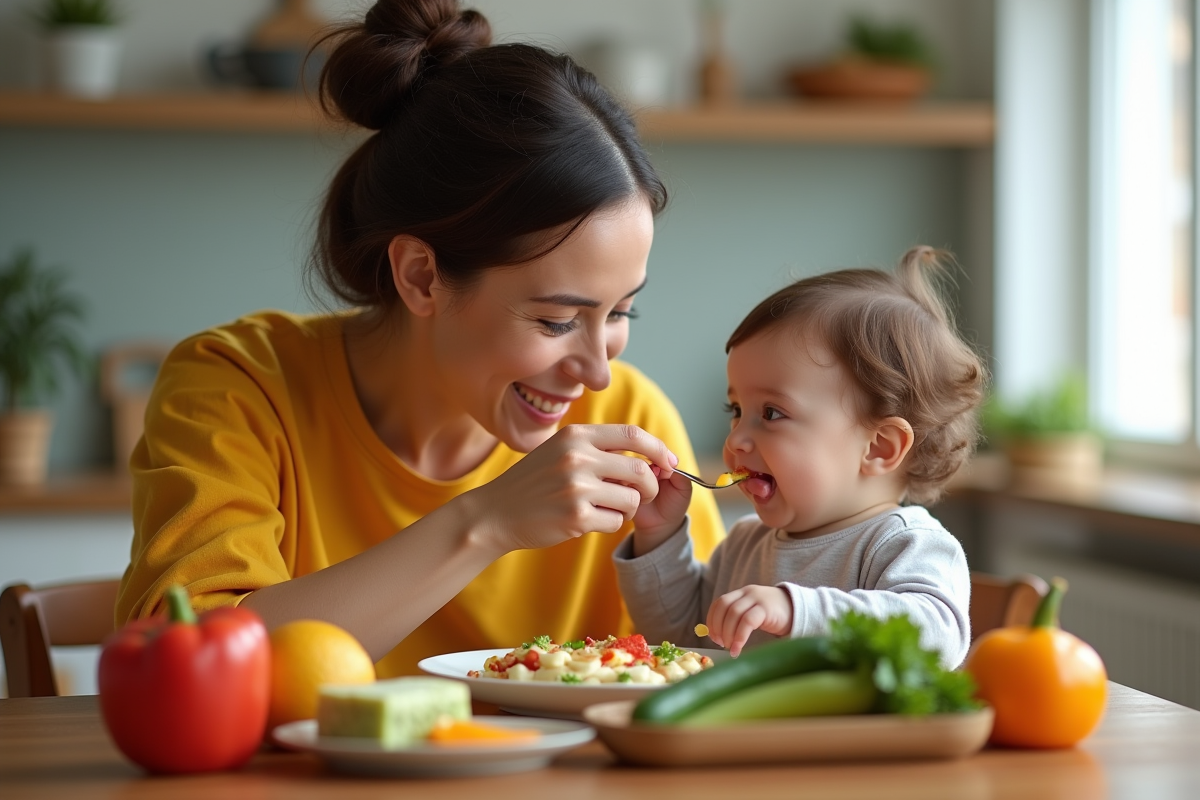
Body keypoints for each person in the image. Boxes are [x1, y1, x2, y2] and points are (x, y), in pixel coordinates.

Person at [115, 0, 724, 677]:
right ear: (421, 276)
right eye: (555, 320)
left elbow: (712, 674)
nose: (596, 375)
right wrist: (486, 523)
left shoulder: (629, 422)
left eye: (620, 315)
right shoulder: (235, 389)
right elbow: (189, 668)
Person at [618, 246, 986, 667]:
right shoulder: (744, 543)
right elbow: (680, 637)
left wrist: (799, 611)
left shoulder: (906, 544)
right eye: (736, 411)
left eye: (771, 413)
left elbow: (933, 637)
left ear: (879, 447)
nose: (737, 438)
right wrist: (659, 535)